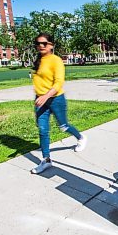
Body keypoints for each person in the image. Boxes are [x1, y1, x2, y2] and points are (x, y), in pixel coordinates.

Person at [30, 33, 87, 174]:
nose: (40, 46)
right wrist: (39, 97)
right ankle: (46, 160)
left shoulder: (56, 60)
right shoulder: (38, 60)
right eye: (38, 43)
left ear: (51, 45)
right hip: (41, 100)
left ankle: (80, 137)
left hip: (55, 99)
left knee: (63, 126)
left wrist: (45, 96)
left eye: (44, 43)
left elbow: (59, 82)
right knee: (43, 130)